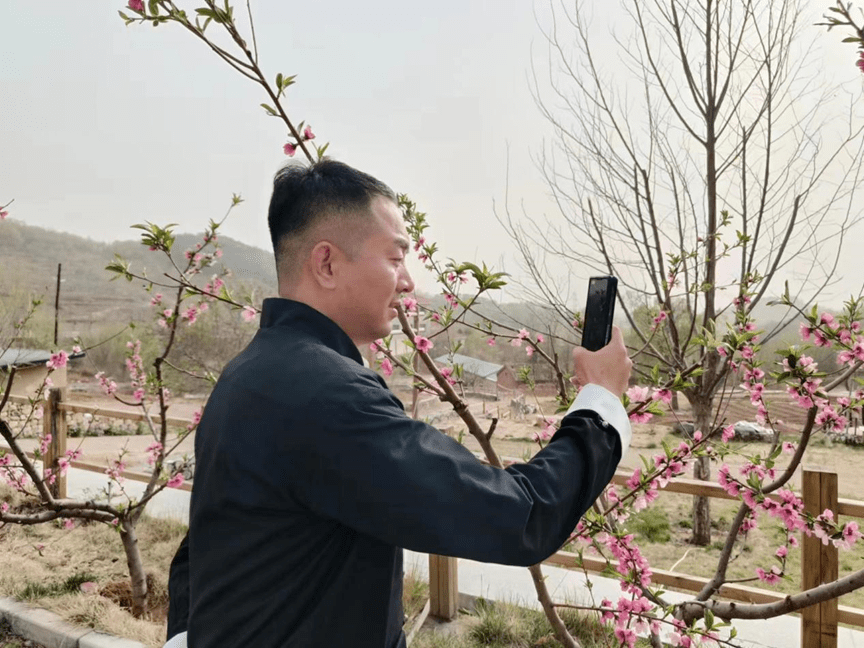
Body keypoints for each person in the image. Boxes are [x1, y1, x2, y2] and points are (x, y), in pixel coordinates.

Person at [163, 159, 632, 648]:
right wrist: (599, 404)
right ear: (326, 264)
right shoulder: (327, 395)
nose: (408, 283)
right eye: (395, 258)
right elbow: (519, 516)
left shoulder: (248, 374)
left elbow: (208, 543)